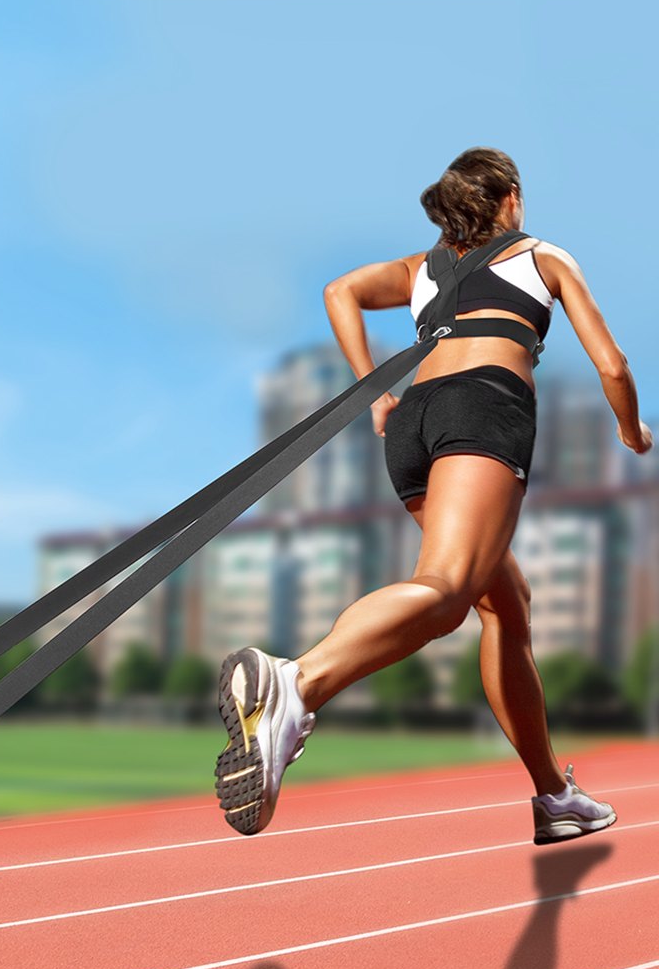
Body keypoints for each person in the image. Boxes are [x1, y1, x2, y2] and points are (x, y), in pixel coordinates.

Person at [214, 147, 652, 841]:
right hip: (483, 408)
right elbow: (614, 366)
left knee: (504, 603)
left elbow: (339, 291)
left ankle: (553, 795)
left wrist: (376, 394)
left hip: (415, 424)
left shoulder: (421, 268)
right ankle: (296, 685)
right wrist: (633, 432)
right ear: (510, 198)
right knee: (446, 589)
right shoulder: (543, 256)